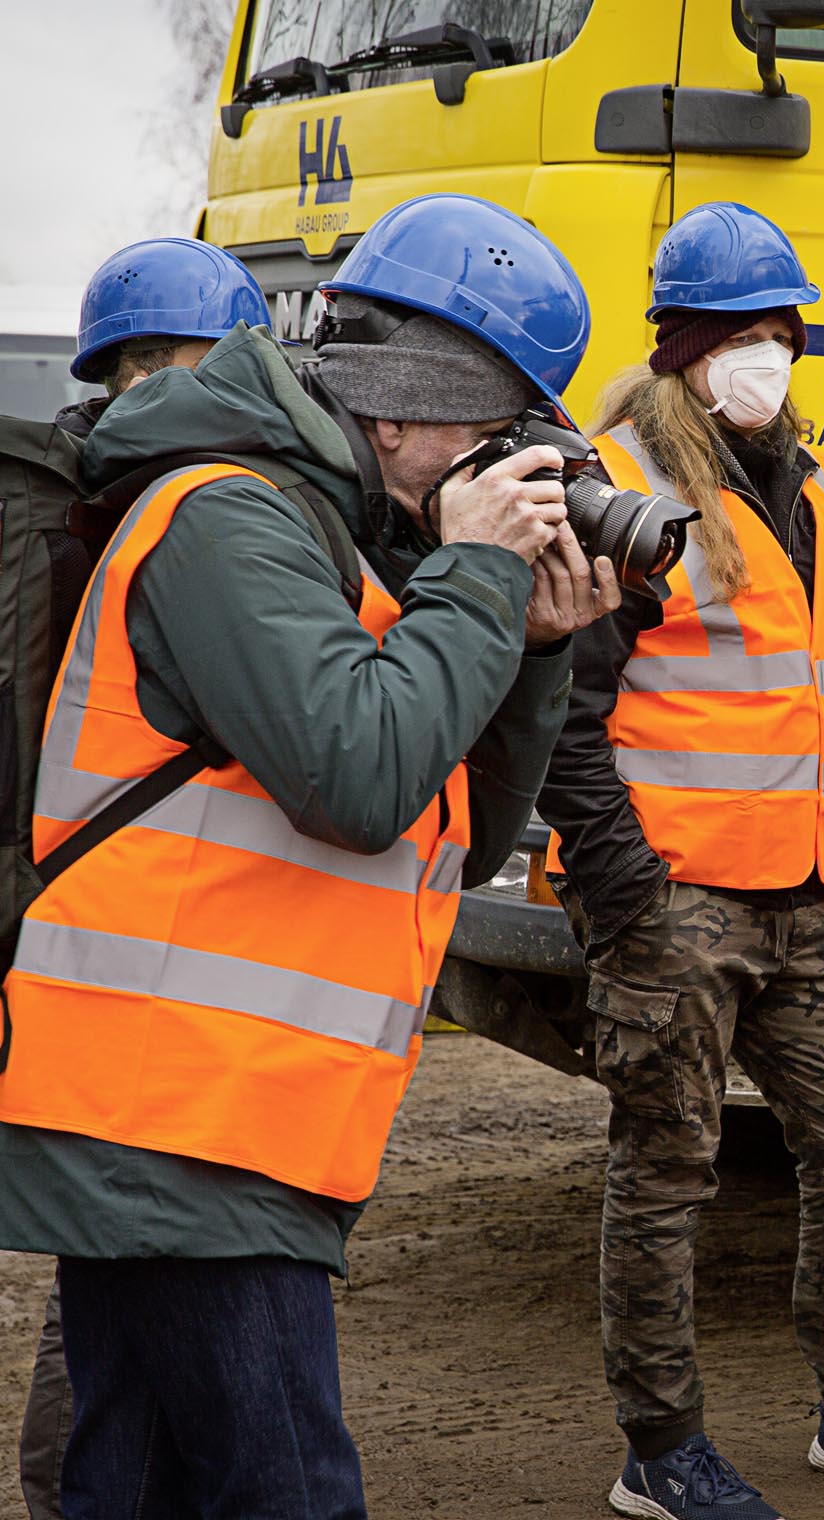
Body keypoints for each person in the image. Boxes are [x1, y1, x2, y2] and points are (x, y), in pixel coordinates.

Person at [0, 194, 616, 1517]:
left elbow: (459, 830)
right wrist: (479, 577)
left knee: (130, 1481)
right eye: (496, 431)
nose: (511, 469)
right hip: (183, 1111)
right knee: (286, 1490)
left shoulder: (352, 541)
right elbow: (360, 775)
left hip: (214, 1111)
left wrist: (535, 649)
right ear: (398, 406)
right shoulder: (232, 521)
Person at [537, 201, 824, 1520]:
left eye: (781, 332)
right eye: (739, 334)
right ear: (682, 346)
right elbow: (564, 717)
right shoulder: (627, 494)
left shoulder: (812, 489)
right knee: (665, 1173)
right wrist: (626, 903)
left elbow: (818, 675)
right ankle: (658, 1449)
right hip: (676, 902)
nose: (766, 355)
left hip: (801, 895)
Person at [11, 234, 275, 1520]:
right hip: (105, 945)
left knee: (108, 1261)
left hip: (76, 929)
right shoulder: (170, 518)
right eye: (169, 367)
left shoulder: (82, 503)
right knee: (119, 1264)